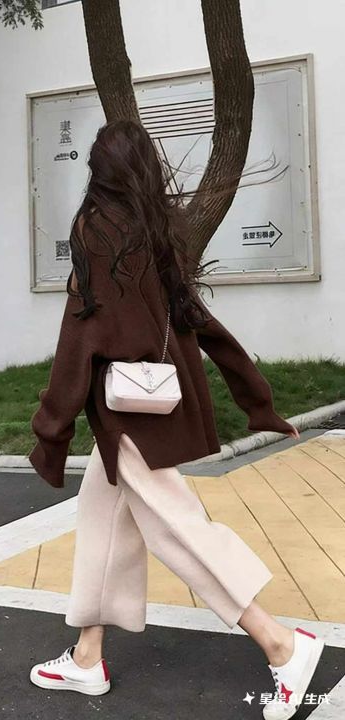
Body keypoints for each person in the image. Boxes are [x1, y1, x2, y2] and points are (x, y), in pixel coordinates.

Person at [27, 119, 324, 719]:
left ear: (99, 170)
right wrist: (257, 399)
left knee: (178, 529)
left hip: (125, 410)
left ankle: (281, 644)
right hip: (160, 399)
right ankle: (87, 657)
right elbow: (198, 319)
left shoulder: (95, 228)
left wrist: (51, 426)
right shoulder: (165, 227)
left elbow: (80, 333)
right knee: (102, 520)